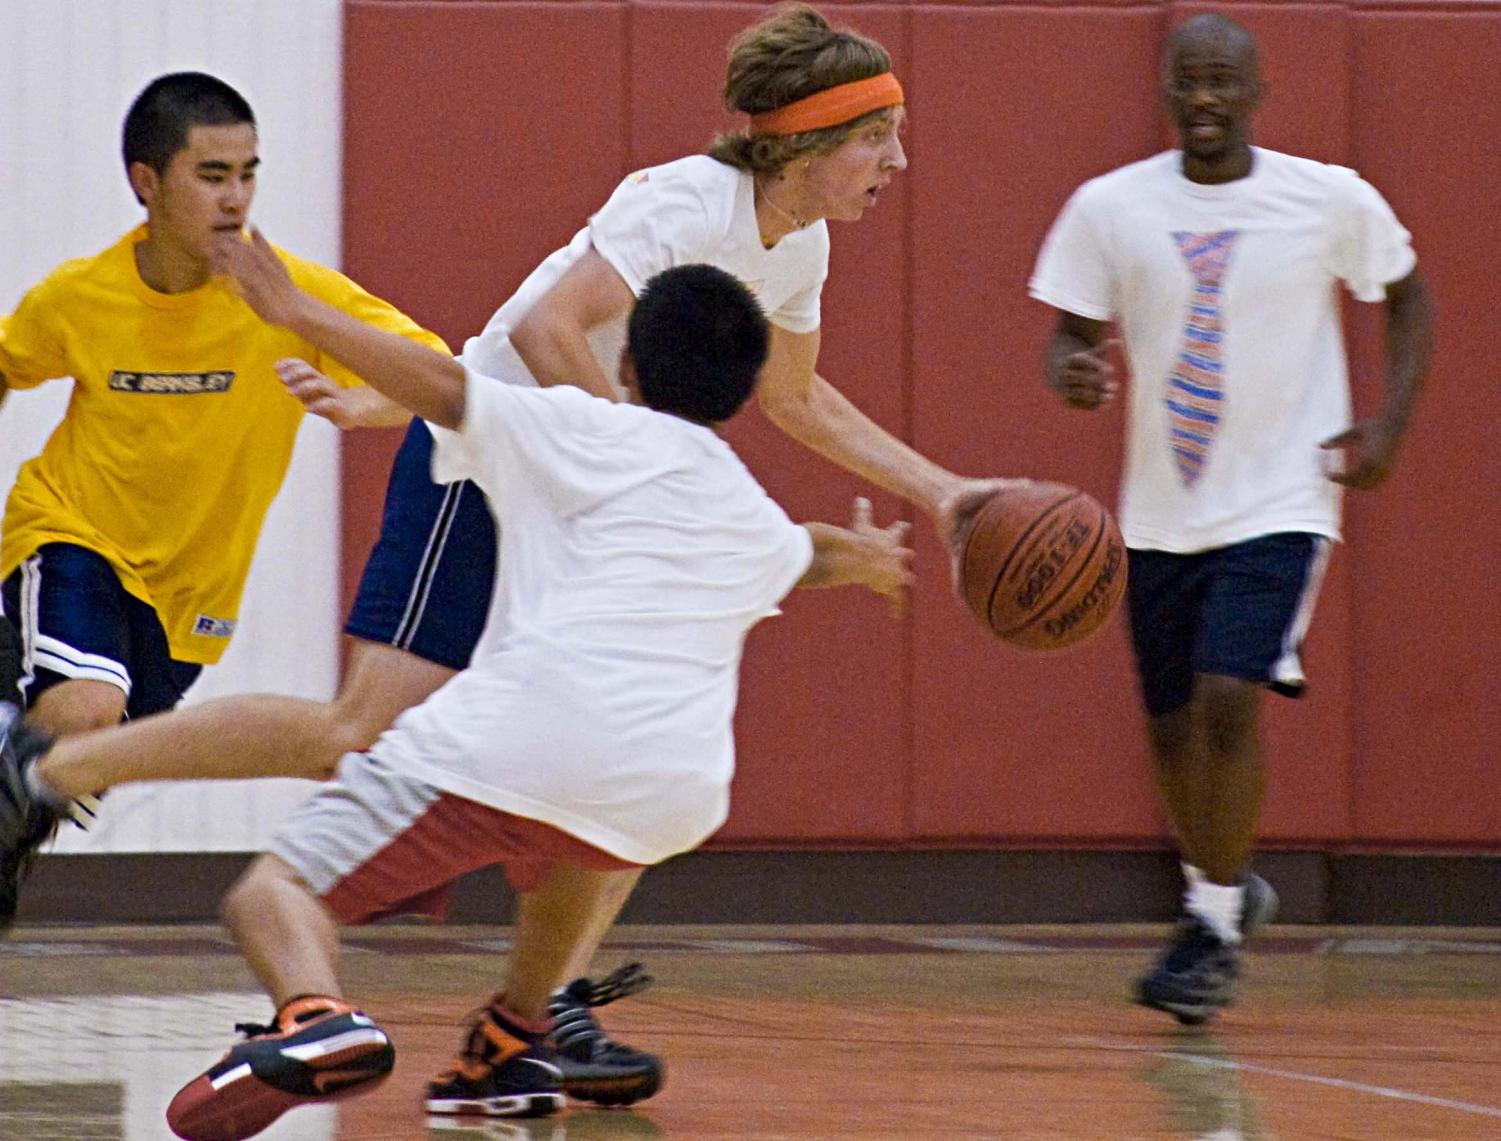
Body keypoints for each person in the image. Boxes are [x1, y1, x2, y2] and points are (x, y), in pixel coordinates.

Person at [0, 4, 1011, 1104]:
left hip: (585, 490)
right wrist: (619, 461)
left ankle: (532, 1018)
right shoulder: (681, 201)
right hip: (489, 470)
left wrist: (945, 491)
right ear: (809, 141)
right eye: (877, 136)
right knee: (360, 730)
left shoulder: (799, 242)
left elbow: (797, 394)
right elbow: (543, 331)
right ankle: (49, 767)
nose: (896, 160)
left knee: (629, 765)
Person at [151, 245, 903, 1137]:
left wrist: (299, 312)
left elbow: (440, 381)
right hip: (670, 802)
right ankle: (511, 1038)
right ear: (744, 391)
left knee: (273, 894)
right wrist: (857, 558)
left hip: (519, 749)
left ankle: (314, 1015)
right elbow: (799, 550)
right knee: (584, 839)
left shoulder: (581, 424)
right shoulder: (742, 500)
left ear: (624, 364)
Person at [1029, 13, 1432, 1025]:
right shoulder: (1108, 207)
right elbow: (1068, 333)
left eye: (1221, 81)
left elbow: (1408, 298)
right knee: (1167, 726)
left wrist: (1385, 422)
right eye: (1186, 81)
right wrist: (1072, 371)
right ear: (1164, 90)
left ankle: (1208, 925)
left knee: (1222, 700)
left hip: (1285, 493)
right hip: (1161, 504)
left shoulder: (1325, 197)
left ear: (1254, 91)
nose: (1202, 97)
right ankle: (1225, 885)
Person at [0, 71, 433, 925]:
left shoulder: (289, 296)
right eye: (211, 175)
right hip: (70, 533)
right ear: (147, 182)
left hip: (191, 592)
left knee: (85, 750)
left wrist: (367, 403)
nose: (236, 198)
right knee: (86, 705)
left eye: (248, 173)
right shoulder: (81, 297)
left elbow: (436, 378)